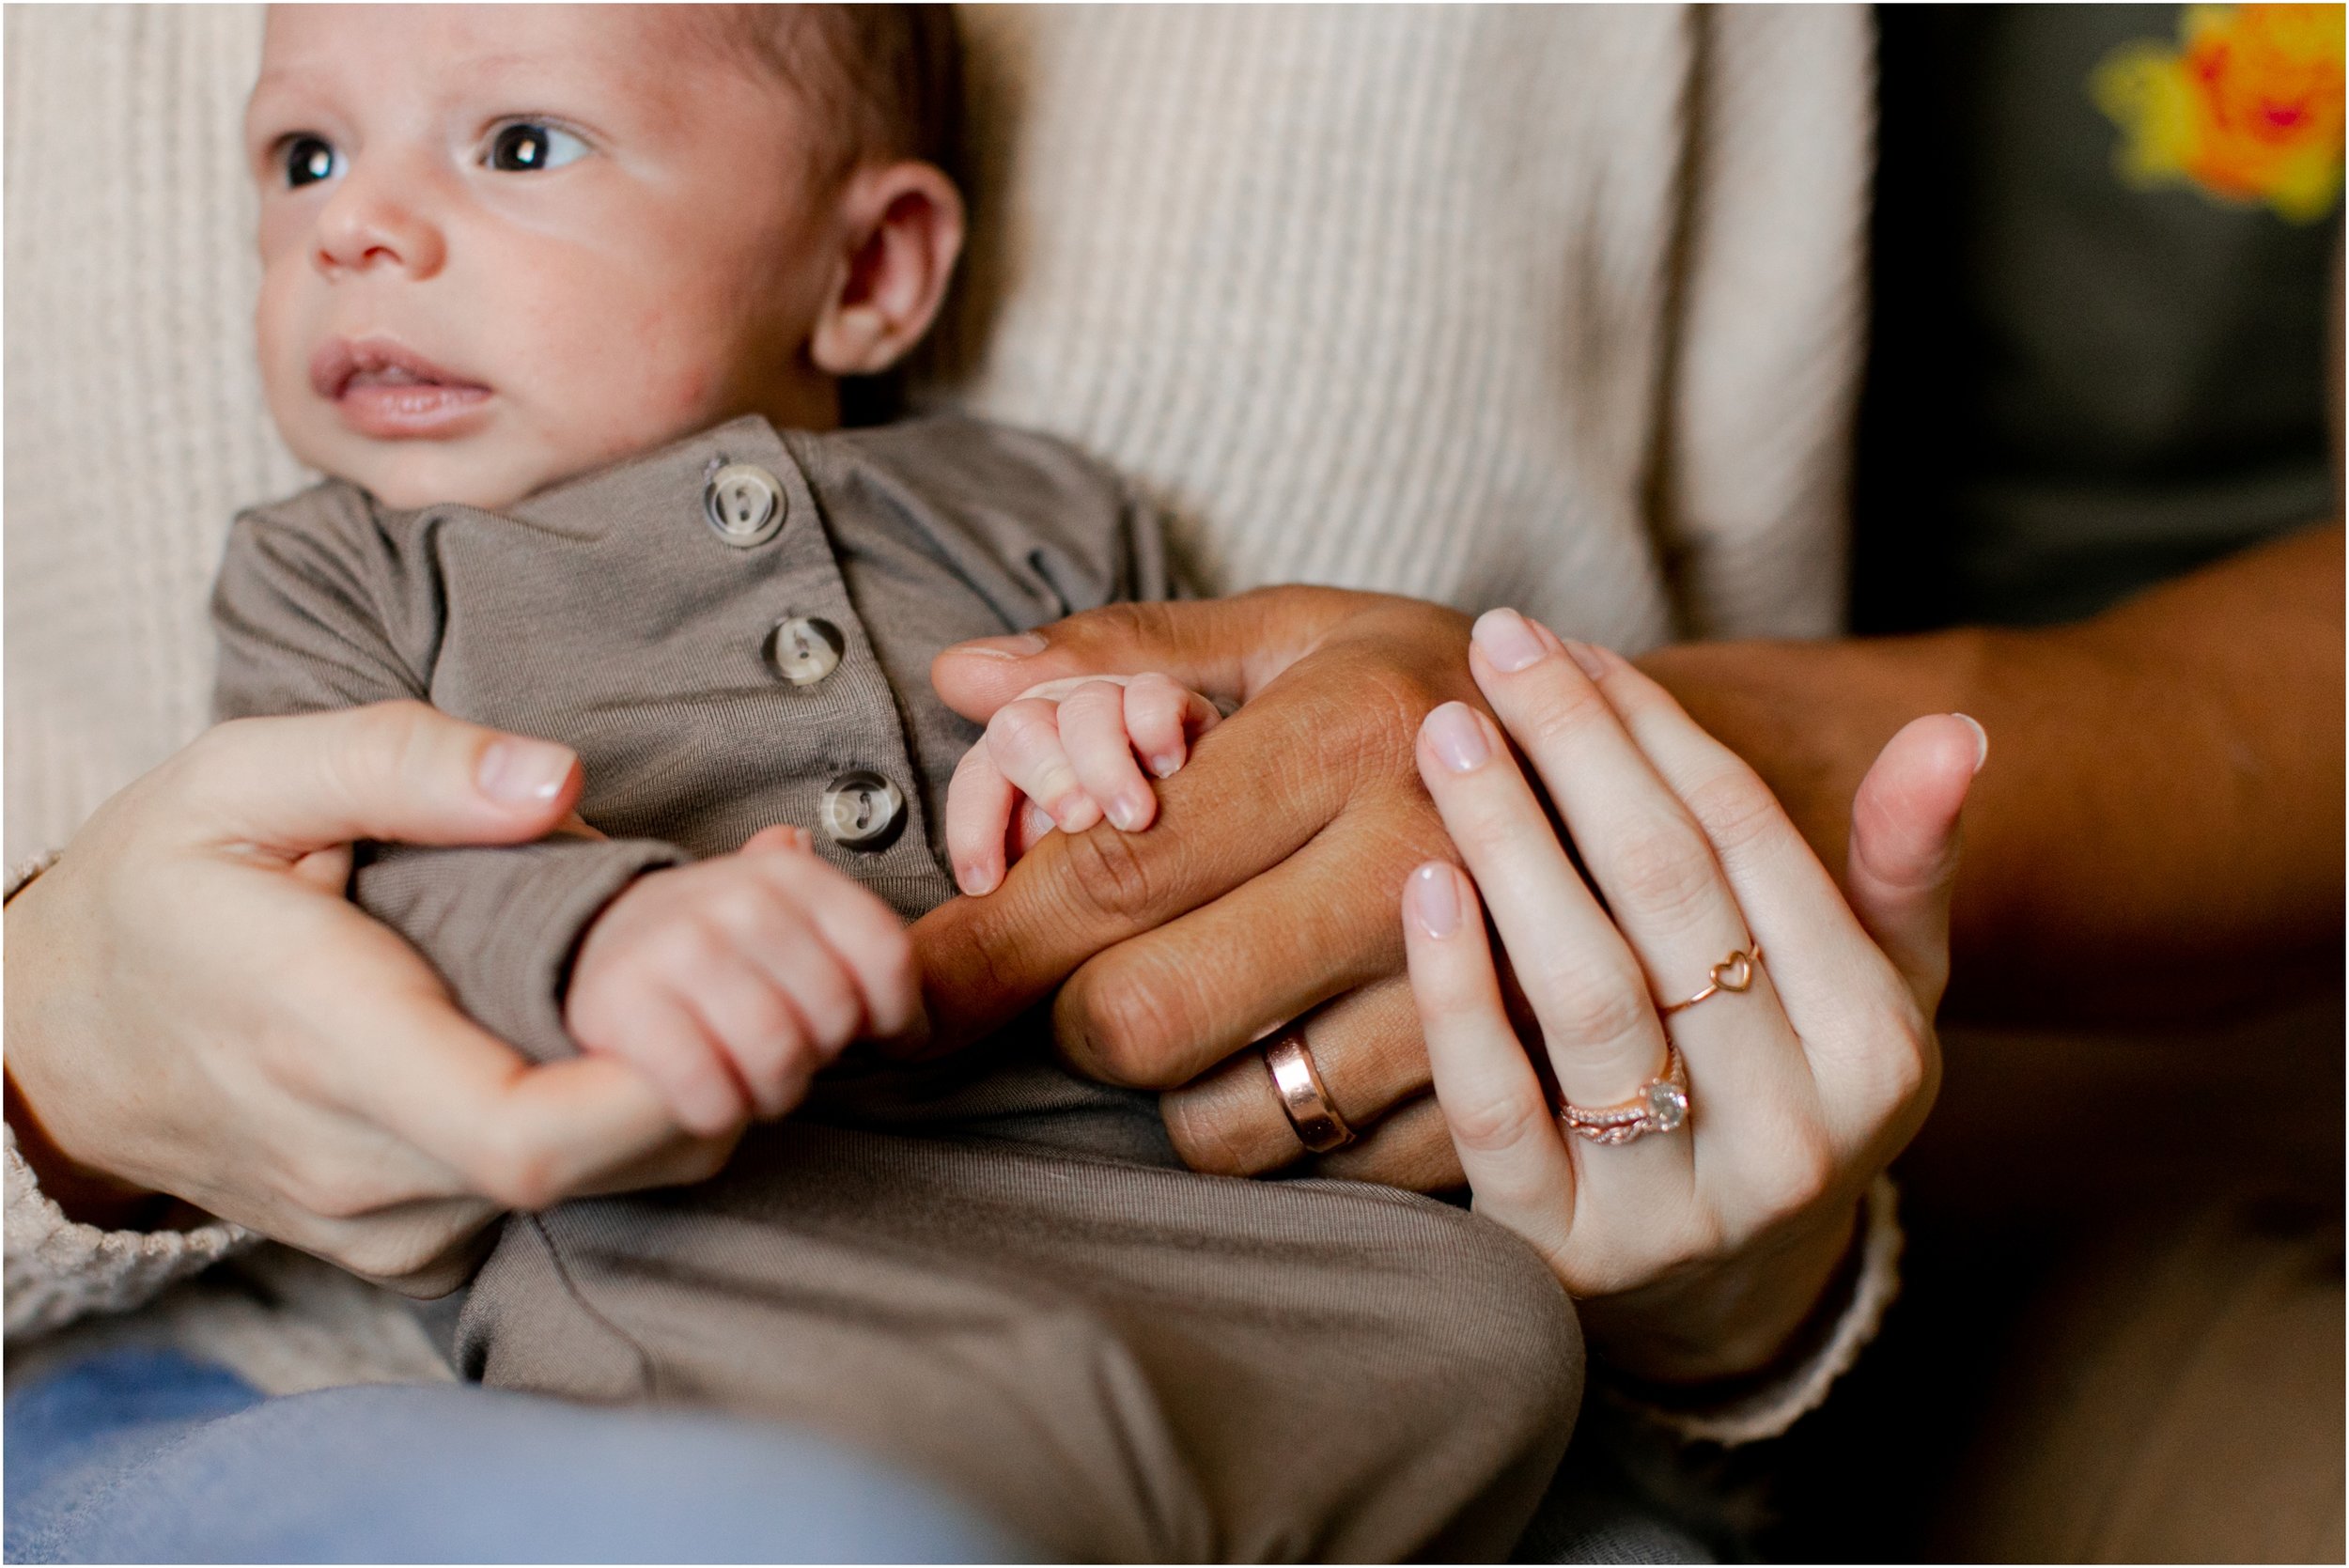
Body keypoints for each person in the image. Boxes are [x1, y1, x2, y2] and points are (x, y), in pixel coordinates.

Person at [4, 5, 2327, 1560]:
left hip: (1198, 1219)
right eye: (299, 156)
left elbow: (1171, 757)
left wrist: (1101, 739)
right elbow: (357, 872)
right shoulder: (336, 573)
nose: (354, 224)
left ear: (873, 271)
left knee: (1481, 1337)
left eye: (514, 144)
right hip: (745, 1261)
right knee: (863, 1475)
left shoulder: (1026, 507)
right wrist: (608, 932)